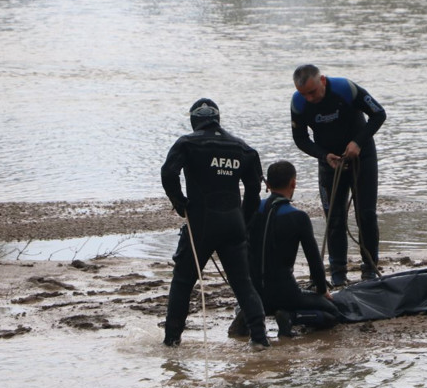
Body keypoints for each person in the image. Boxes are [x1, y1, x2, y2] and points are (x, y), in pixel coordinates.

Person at [160, 98, 270, 350]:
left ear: (194, 121)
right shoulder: (242, 148)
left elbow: (168, 173)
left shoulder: (187, 143)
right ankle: (260, 338)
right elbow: (253, 190)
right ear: (217, 119)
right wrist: (244, 220)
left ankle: (171, 341)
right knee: (243, 283)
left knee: (183, 281)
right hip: (233, 222)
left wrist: (180, 203)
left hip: (201, 222)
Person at [290, 64, 386, 286]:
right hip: (330, 163)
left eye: (312, 92)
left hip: (362, 158)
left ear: (322, 80)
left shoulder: (345, 89)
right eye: (304, 94)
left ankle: (369, 269)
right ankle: (338, 273)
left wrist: (357, 143)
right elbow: (300, 138)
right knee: (334, 218)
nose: (310, 98)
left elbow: (379, 114)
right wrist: (324, 156)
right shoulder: (298, 103)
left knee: (366, 215)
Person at [245, 160, 341, 337]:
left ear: (267, 184)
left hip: (254, 292)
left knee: (254, 303)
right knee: (333, 313)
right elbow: (314, 260)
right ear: (293, 183)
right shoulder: (298, 217)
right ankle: (292, 317)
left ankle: (247, 314)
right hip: (286, 293)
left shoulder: (252, 209)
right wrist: (322, 290)